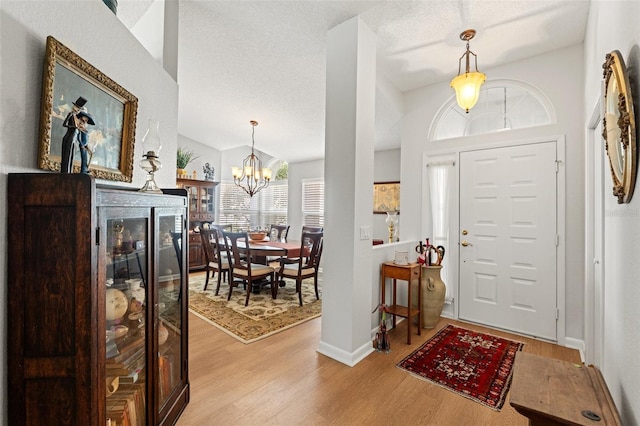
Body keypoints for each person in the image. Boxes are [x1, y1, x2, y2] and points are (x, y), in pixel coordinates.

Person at [60, 96, 87, 173]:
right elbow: (64, 124)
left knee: (72, 155)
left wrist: (79, 128)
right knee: (67, 155)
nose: (78, 110)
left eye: (79, 109)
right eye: (77, 108)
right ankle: (65, 171)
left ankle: (70, 171)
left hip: (74, 137)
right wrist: (74, 127)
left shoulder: (77, 117)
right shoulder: (70, 114)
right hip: (69, 136)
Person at [76, 108, 95, 174]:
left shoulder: (84, 131)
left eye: (85, 121)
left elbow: (85, 141)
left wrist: (87, 147)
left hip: (83, 148)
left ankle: (84, 170)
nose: (83, 122)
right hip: (79, 148)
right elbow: (78, 139)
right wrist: (81, 144)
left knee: (85, 159)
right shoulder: (76, 130)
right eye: (82, 120)